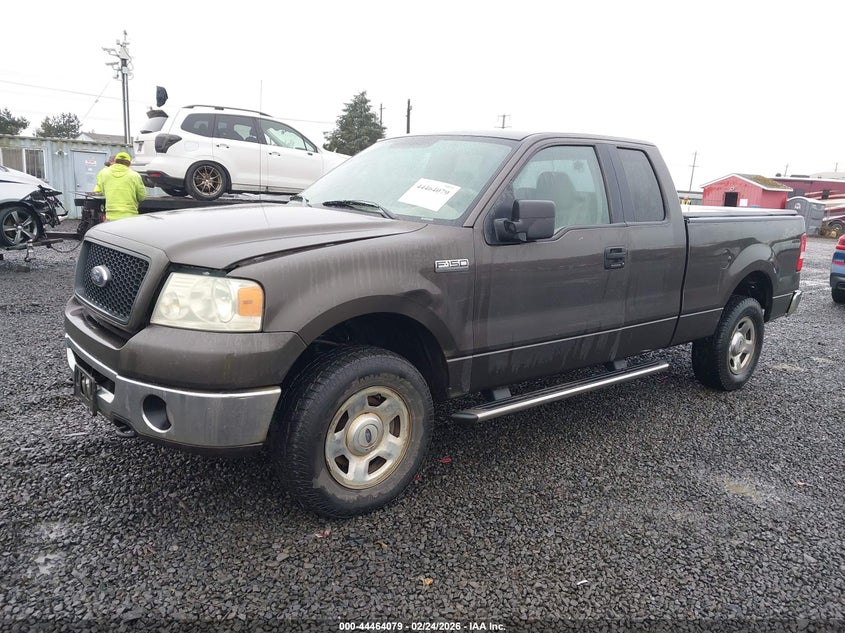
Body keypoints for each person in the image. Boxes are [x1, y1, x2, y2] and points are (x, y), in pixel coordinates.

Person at [100, 152, 146, 220]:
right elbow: (142, 197)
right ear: (129, 163)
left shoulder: (105, 173)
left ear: (115, 161)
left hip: (110, 216)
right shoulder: (134, 175)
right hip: (129, 216)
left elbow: (103, 191)